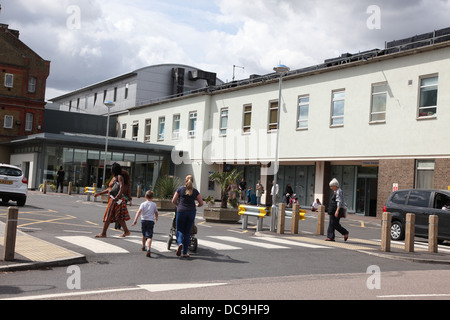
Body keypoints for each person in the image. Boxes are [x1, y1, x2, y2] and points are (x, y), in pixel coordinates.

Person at [94, 163, 131, 238]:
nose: (110, 170)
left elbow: (121, 186)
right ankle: (126, 231)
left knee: (108, 215)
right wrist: (99, 193)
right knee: (119, 217)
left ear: (114, 170)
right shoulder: (114, 178)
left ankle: (103, 233)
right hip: (114, 199)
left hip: (116, 199)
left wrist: (117, 196)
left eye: (111, 168)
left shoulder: (119, 177)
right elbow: (110, 189)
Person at [172, 175, 204, 258]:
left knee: (179, 230)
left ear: (185, 181)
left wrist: (178, 205)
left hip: (181, 211)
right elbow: (201, 203)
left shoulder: (180, 189)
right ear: (192, 181)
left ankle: (180, 243)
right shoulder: (195, 191)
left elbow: (173, 200)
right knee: (187, 232)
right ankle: (185, 252)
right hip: (191, 212)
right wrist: (196, 205)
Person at [131, 190, 158, 258]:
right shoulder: (154, 204)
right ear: (153, 197)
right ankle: (148, 249)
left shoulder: (143, 204)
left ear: (145, 197)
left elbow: (138, 212)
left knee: (143, 234)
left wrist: (135, 220)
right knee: (149, 236)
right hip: (150, 221)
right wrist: (156, 218)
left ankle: (143, 246)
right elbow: (156, 212)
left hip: (143, 220)